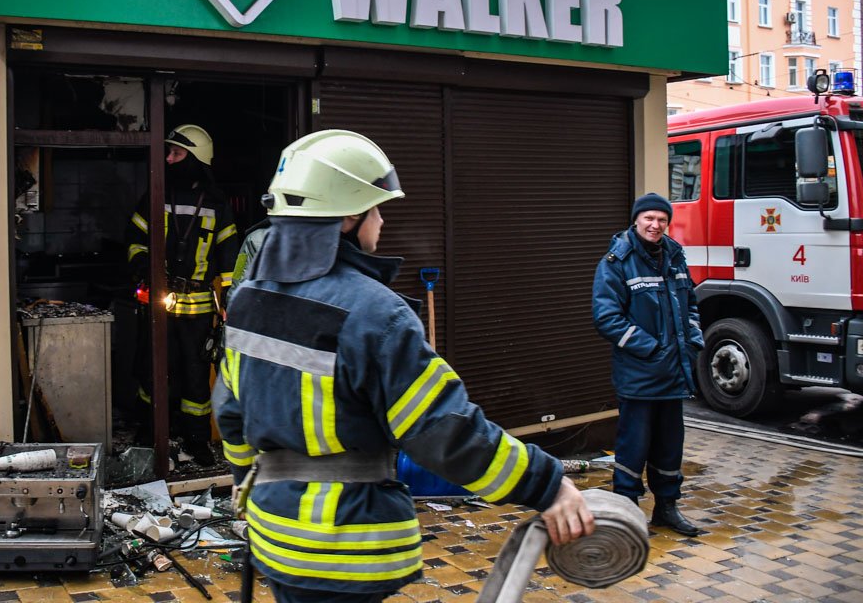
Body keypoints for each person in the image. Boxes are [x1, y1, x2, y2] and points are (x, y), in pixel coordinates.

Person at [214, 130, 593, 602]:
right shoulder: (376, 312)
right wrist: (547, 485)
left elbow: (229, 414)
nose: (381, 220)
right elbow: (444, 431)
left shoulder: (247, 299)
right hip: (346, 548)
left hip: (275, 540)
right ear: (348, 216)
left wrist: (247, 484)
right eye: (375, 208)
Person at [592, 192, 704, 537]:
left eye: (661, 220)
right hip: (640, 376)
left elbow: (691, 304)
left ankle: (667, 509)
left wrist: (694, 339)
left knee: (670, 447)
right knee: (632, 448)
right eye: (649, 219)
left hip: (673, 374)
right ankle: (627, 514)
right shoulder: (616, 262)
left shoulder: (674, 255)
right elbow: (606, 318)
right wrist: (653, 349)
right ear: (636, 220)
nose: (655, 225)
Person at [127, 124, 239, 466]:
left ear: (196, 160)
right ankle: (150, 434)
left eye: (177, 154)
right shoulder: (156, 196)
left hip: (199, 310)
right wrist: (144, 267)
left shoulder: (218, 204)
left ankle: (197, 441)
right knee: (153, 372)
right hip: (159, 307)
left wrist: (230, 303)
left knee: (195, 381)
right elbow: (133, 242)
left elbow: (229, 259)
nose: (169, 159)